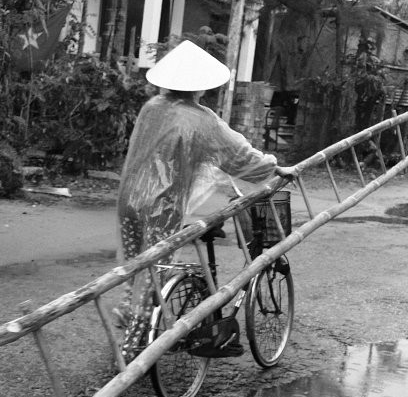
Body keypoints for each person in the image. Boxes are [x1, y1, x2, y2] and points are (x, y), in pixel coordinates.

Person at [115, 40, 293, 360]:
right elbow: (238, 155)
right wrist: (273, 166)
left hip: (129, 198)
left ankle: (127, 312)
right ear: (200, 86)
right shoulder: (202, 119)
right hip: (161, 206)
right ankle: (132, 352)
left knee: (134, 266)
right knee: (155, 273)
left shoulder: (152, 107)